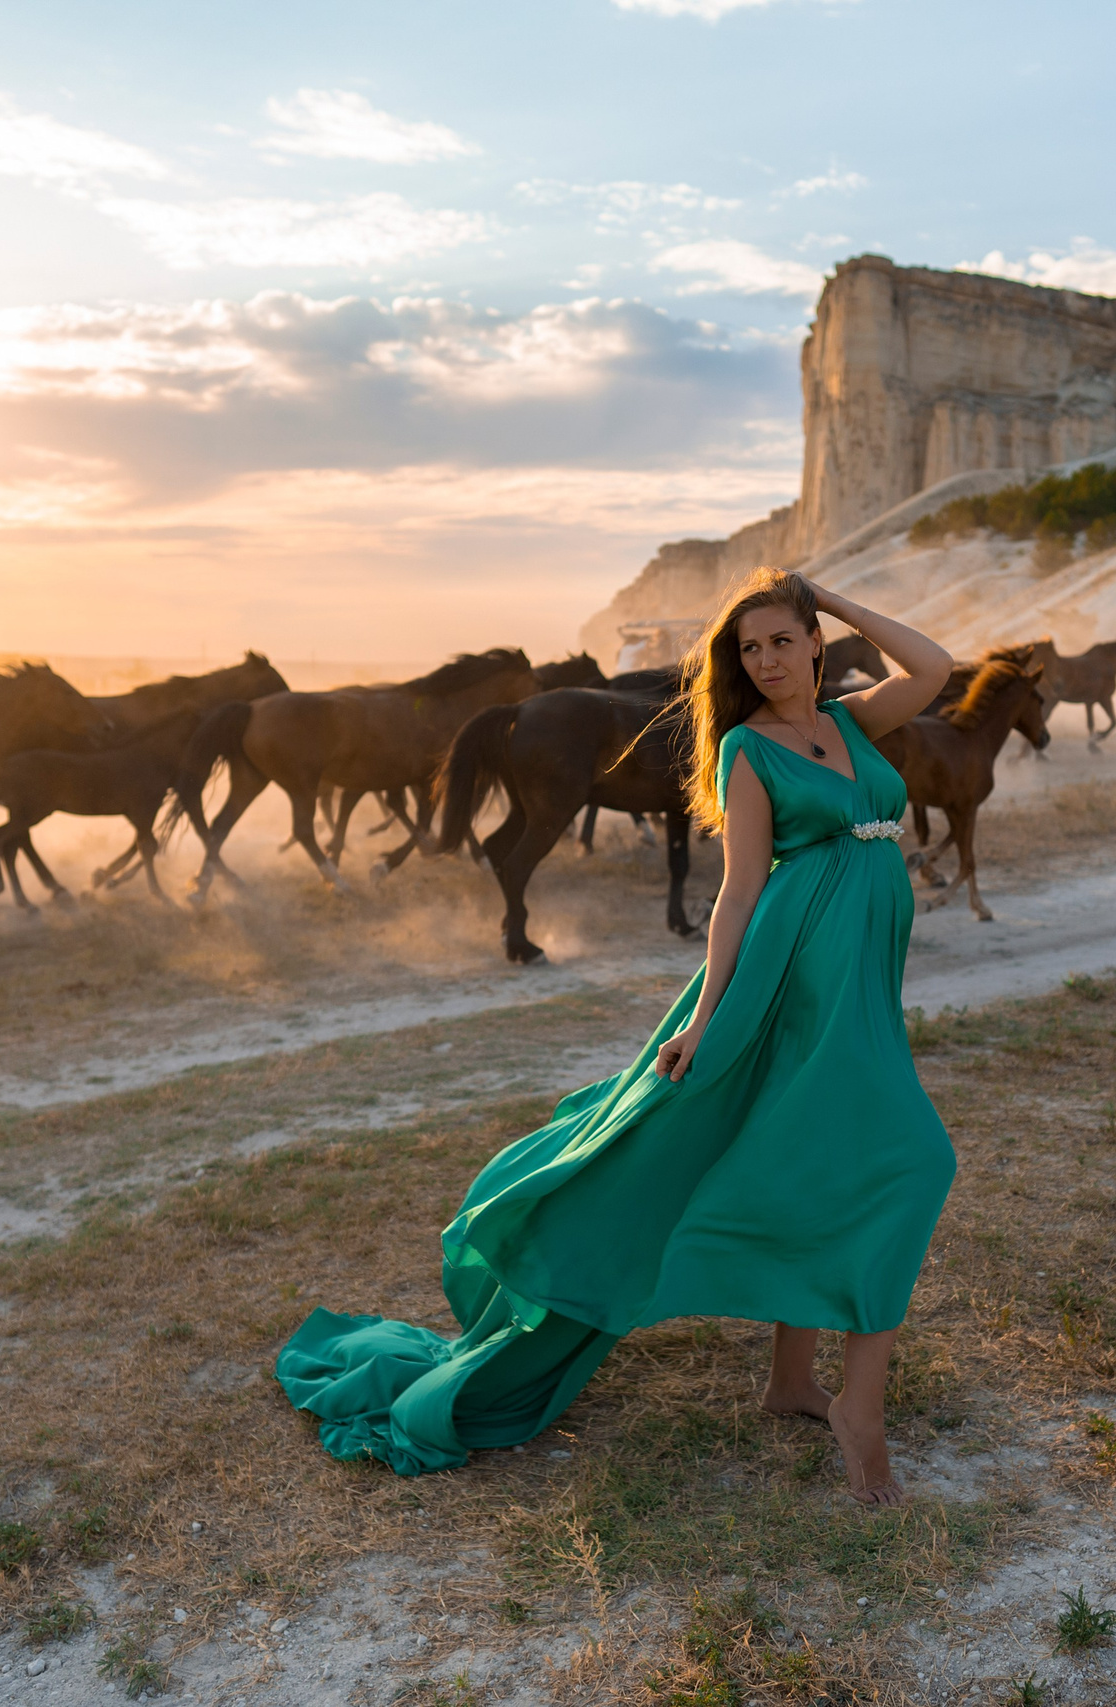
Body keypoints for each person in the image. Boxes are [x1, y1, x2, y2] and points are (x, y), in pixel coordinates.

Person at [274, 568, 957, 1505]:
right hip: (790, 976)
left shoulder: (848, 719)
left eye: (780, 640)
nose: (764, 660)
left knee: (812, 1155)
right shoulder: (750, 751)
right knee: (915, 1161)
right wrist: (707, 1017)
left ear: (813, 642)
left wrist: (830, 597)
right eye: (747, 648)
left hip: (862, 981)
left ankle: (791, 1380)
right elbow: (738, 892)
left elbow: (938, 665)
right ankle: (859, 1412)